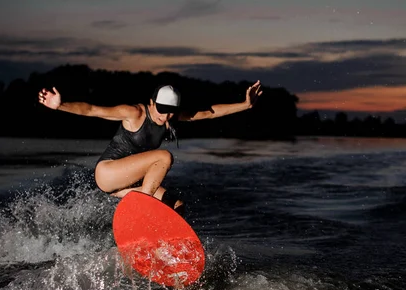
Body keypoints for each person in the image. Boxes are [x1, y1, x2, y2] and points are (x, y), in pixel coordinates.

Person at [38, 80, 262, 213]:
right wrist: (61, 106)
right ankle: (143, 212)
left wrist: (245, 105)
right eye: (161, 110)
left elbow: (209, 113)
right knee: (163, 157)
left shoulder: (170, 118)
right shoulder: (134, 113)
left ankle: (158, 248)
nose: (165, 117)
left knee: (176, 207)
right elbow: (92, 110)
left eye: (171, 112)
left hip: (129, 184)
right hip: (108, 173)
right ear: (152, 103)